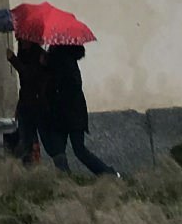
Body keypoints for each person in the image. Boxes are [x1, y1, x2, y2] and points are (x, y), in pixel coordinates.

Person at [37, 44, 120, 177]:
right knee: (61, 151)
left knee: (77, 151)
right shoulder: (62, 61)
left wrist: (47, 65)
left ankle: (107, 173)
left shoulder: (64, 63)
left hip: (70, 115)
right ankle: (67, 180)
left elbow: (64, 89)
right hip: (66, 114)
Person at [4, 38, 47, 165]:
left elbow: (29, 76)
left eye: (22, 39)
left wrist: (13, 59)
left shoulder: (40, 56)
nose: (19, 41)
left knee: (28, 142)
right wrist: (18, 106)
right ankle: (26, 167)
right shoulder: (24, 53)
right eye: (18, 39)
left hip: (37, 105)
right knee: (26, 140)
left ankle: (14, 166)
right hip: (25, 105)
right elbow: (25, 86)